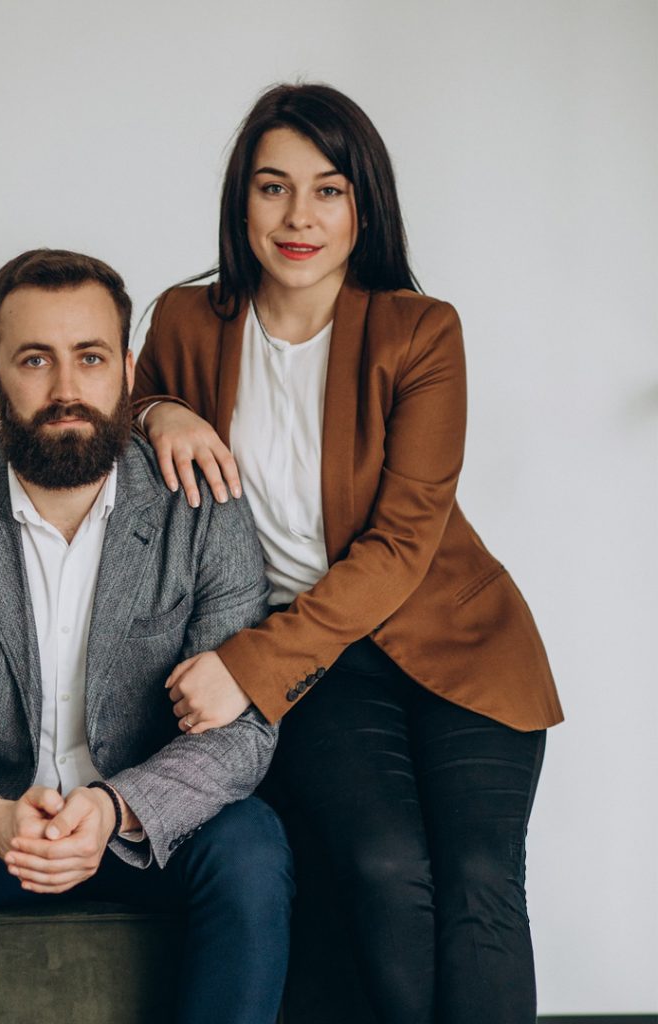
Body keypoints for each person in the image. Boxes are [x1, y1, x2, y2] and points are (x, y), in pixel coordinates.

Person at [133, 84, 564, 1024]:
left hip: (456, 640)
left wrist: (246, 669)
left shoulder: (421, 331)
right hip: (324, 664)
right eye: (273, 187)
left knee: (481, 877)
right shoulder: (185, 320)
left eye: (328, 190)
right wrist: (158, 409)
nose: (299, 217)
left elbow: (402, 545)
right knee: (383, 867)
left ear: (364, 204)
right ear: (241, 200)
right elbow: (123, 418)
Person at [0, 249, 294, 1024]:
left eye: (91, 358)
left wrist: (114, 809)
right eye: (35, 360)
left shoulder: (205, 506)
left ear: (127, 372)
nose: (67, 389)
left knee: (253, 847)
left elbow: (242, 731)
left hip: (140, 823)